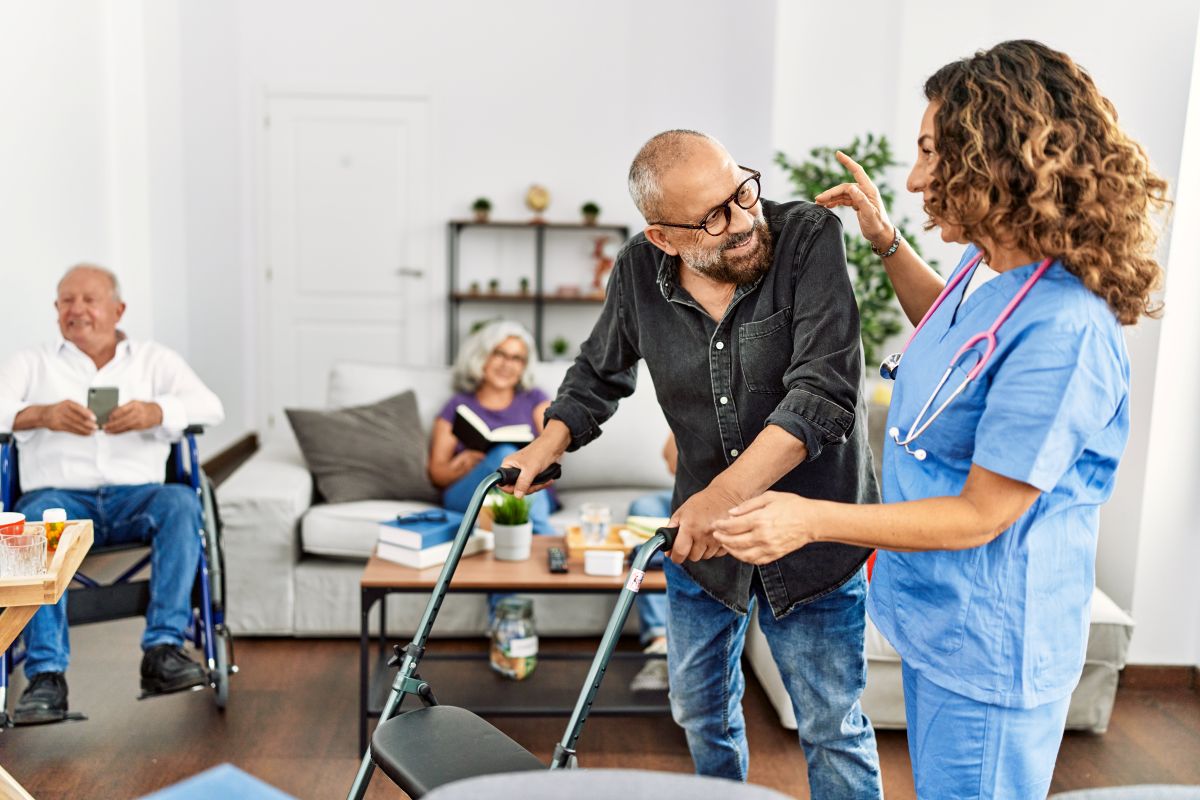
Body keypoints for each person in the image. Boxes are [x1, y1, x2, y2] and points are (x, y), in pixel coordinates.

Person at [713, 40, 1168, 799]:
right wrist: (886, 240)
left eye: (934, 153)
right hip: (938, 617)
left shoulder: (1064, 330)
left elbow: (980, 514)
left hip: (992, 639)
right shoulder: (993, 267)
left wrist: (812, 519)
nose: (919, 177)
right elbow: (953, 339)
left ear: (1001, 159)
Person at [501, 130, 883, 796]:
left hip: (813, 535)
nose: (743, 221)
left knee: (831, 726)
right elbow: (598, 371)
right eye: (714, 216)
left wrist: (720, 498)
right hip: (702, 547)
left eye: (743, 192)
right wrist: (546, 443)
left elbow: (822, 393)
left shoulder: (807, 237)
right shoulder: (637, 271)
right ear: (665, 238)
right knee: (701, 711)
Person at [0, 264, 225, 724]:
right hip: (58, 498)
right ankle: (46, 677)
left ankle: (163, 651)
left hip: (136, 497)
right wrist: (39, 414)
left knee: (181, 503)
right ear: (56, 310)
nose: (76, 309)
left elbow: (211, 407)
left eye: (88, 299)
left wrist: (156, 410)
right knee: (30, 521)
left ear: (118, 309)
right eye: (66, 300)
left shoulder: (153, 360)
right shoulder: (32, 362)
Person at [428, 320, 555, 535]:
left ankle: (530, 530)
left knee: (508, 458)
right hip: (472, 491)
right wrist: (460, 465)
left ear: (524, 366)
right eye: (499, 354)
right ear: (482, 357)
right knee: (503, 453)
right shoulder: (457, 405)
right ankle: (546, 537)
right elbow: (436, 473)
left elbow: (555, 448)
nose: (507, 364)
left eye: (516, 358)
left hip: (528, 490)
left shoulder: (536, 399)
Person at [626, 434, 675, 692]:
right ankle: (660, 641)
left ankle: (667, 649)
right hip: (686, 490)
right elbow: (672, 462)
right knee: (644, 506)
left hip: (734, 496)